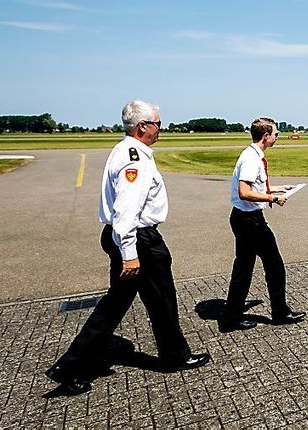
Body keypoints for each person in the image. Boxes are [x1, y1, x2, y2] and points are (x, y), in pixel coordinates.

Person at [46, 100, 210, 395]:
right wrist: (131, 255)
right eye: (158, 123)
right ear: (142, 127)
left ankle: (70, 365)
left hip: (125, 238)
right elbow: (126, 211)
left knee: (116, 305)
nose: (162, 128)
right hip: (139, 240)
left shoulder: (125, 150)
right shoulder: (135, 158)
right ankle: (175, 356)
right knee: (160, 301)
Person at [219, 117, 305, 331]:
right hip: (250, 221)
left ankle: (231, 317)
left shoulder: (251, 155)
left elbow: (254, 186)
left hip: (243, 218)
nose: (278, 137)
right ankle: (279, 312)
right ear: (266, 136)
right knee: (274, 265)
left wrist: (277, 188)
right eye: (276, 134)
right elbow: (245, 192)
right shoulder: (251, 159)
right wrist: (272, 199)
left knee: (243, 268)